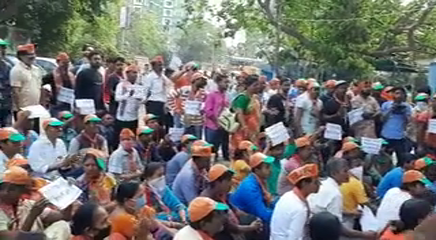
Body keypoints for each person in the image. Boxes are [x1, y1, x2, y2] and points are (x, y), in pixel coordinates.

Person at [308, 158, 375, 239]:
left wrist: (349, 213)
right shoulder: (335, 194)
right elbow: (337, 228)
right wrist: (364, 235)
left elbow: (324, 210)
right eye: (345, 171)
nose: (348, 174)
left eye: (348, 170)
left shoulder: (323, 185)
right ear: (334, 174)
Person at [0, 166, 71, 239]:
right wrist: (32, 216)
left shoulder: (27, 204)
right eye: (2, 188)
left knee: (62, 225)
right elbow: (20, 238)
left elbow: (64, 217)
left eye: (12, 189)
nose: (5, 192)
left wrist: (68, 197)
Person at [201, 164, 262, 240]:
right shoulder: (208, 202)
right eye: (228, 180)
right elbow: (231, 227)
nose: (231, 183)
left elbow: (235, 210)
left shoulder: (220, 193)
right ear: (218, 182)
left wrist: (254, 218)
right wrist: (251, 227)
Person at [270, 164, 320, 240]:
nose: (319, 184)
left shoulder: (288, 195)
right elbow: (294, 237)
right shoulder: (300, 209)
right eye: (315, 182)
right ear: (304, 184)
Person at [231, 152, 276, 224]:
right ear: (257, 170)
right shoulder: (250, 187)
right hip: (243, 221)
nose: (270, 170)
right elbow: (262, 214)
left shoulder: (260, 180)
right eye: (267, 167)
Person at [381, 86, 412, 166]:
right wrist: (391, 109)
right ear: (393, 95)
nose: (399, 95)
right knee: (385, 159)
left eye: (401, 93)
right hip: (386, 135)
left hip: (400, 136)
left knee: (401, 159)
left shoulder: (407, 107)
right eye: (397, 93)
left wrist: (404, 112)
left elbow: (409, 122)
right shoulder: (386, 105)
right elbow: (381, 119)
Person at [114, 65, 144, 141]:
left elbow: (143, 98)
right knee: (120, 137)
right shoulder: (121, 85)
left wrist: (139, 98)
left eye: (136, 73)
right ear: (127, 74)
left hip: (134, 116)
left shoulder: (139, 86)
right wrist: (128, 95)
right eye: (133, 72)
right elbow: (117, 98)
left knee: (132, 137)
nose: (135, 75)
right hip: (122, 117)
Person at [204, 73, 230, 160]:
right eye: (225, 82)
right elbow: (208, 111)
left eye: (228, 82)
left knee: (219, 148)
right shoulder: (212, 95)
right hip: (212, 126)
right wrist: (217, 122)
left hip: (223, 126)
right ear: (218, 83)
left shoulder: (226, 95)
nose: (227, 84)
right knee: (210, 149)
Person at [174, 72, 208, 138]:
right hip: (186, 121)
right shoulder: (184, 89)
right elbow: (172, 95)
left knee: (197, 141)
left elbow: (206, 105)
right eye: (200, 79)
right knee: (184, 140)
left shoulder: (204, 93)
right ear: (194, 80)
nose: (202, 82)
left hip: (198, 122)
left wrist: (203, 110)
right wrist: (176, 108)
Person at [10, 44, 42, 114]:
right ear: (21, 56)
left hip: (36, 108)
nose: (32, 57)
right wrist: (19, 109)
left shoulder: (36, 69)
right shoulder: (17, 70)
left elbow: (39, 88)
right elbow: (15, 91)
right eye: (29, 55)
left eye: (33, 54)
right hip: (23, 109)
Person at [232, 74, 261, 146]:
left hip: (254, 129)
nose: (258, 87)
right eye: (255, 85)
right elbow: (239, 113)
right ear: (247, 86)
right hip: (243, 130)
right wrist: (245, 127)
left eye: (258, 85)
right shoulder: (243, 97)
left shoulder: (255, 97)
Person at [143, 56, 172, 127]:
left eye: (162, 65)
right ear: (153, 66)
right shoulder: (150, 77)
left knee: (161, 125)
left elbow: (169, 87)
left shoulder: (163, 77)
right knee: (153, 125)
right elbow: (146, 91)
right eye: (159, 65)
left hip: (163, 104)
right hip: (153, 103)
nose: (161, 67)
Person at [0, 39, 12, 127]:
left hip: (5, 105)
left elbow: (11, 86)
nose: (2, 50)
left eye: (3, 48)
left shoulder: (7, 67)